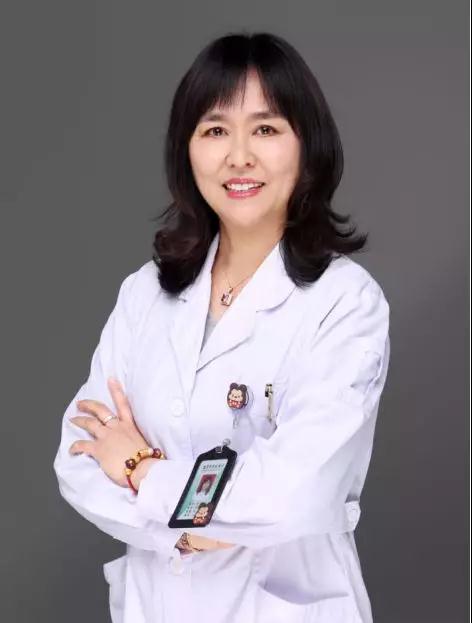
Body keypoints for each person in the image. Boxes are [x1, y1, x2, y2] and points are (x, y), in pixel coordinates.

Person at [53, 31, 390, 623]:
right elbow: (79, 460)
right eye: (214, 131)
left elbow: (288, 493)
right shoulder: (145, 294)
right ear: (186, 150)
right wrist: (185, 532)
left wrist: (141, 470)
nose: (239, 157)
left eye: (265, 129)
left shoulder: (344, 302)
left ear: (307, 146)